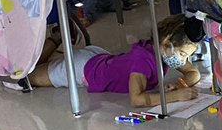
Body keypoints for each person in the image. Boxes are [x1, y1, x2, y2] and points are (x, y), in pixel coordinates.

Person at [16, 15, 204, 107]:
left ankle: (61, 42)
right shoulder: (143, 62)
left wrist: (179, 84)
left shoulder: (164, 52)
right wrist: (174, 97)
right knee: (27, 76)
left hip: (100, 59)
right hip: (84, 69)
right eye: (182, 53)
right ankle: (56, 38)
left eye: (186, 56)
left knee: (47, 68)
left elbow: (193, 73)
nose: (183, 60)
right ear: (167, 42)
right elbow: (136, 100)